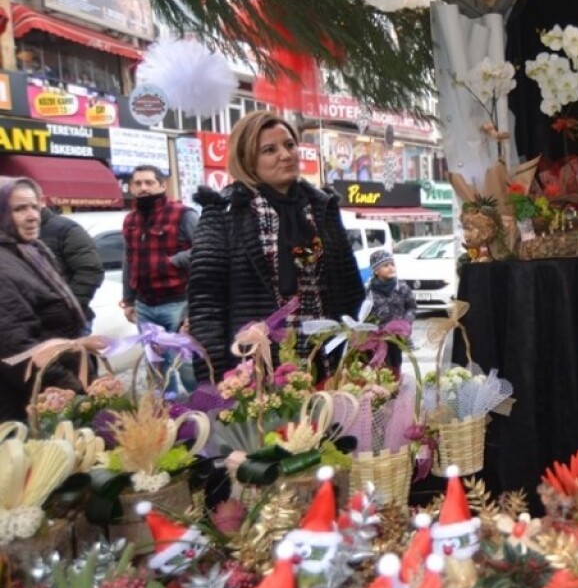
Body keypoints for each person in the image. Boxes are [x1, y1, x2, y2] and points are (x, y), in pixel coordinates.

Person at [188, 110, 363, 379]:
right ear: (248, 160)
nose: (285, 155)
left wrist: (361, 352)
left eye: (290, 145)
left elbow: (351, 290)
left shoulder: (322, 208)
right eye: (269, 150)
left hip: (326, 360)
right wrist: (214, 378)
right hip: (258, 367)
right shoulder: (223, 214)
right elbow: (206, 308)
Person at [0, 177, 88, 421]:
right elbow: (15, 347)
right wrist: (70, 385)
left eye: (34, 206)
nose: (32, 216)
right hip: (30, 401)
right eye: (19, 209)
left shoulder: (31, 250)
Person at [121, 165, 198, 390]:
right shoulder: (130, 221)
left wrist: (173, 261)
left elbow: (206, 248)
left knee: (186, 365)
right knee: (156, 366)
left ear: (162, 185)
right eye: (138, 183)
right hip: (145, 306)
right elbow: (128, 260)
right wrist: (128, 300)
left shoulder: (183, 215)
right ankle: (168, 416)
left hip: (178, 303)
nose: (143, 188)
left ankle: (204, 414)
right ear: (131, 188)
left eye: (149, 182)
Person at [39, 206, 105, 330]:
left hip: (66, 325)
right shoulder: (12, 233)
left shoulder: (65, 229)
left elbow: (90, 270)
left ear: (40, 200)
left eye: (30, 205)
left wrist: (68, 309)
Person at [363, 248, 415, 370]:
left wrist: (405, 324)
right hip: (376, 338)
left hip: (396, 338)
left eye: (392, 264)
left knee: (395, 366)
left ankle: (396, 386)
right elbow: (363, 313)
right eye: (386, 265)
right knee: (378, 368)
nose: (391, 267)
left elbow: (411, 307)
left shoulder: (401, 287)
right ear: (376, 270)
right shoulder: (368, 290)